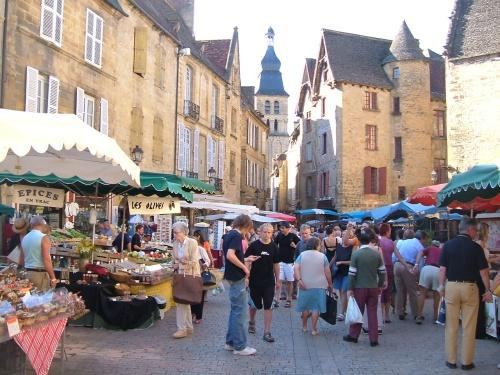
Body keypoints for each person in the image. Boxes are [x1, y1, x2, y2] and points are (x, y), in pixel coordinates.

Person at [438, 217, 491, 370]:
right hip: (470, 288)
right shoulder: (476, 248)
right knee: (469, 326)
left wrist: (441, 286)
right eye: (475, 230)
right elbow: (484, 273)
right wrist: (487, 290)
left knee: (451, 326)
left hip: (452, 287)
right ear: (470, 230)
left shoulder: (448, 245)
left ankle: (451, 360)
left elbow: (442, 270)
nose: (476, 233)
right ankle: (467, 362)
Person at [223, 215, 259, 356]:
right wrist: (244, 267)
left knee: (235, 311)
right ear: (246, 226)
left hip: (231, 275)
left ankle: (231, 342)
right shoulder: (237, 236)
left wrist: (246, 258)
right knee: (240, 313)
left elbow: (232, 255)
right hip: (237, 277)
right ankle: (240, 346)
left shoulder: (229, 235)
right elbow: (230, 256)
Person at [343, 228, 386, 347]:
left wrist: (350, 288)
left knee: (358, 312)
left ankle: (353, 335)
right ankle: (374, 339)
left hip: (359, 287)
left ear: (360, 241)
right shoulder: (376, 254)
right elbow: (382, 272)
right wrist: (380, 285)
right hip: (373, 286)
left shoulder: (356, 254)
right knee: (372, 313)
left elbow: (352, 274)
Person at [246, 223, 280, 343]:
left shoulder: (274, 247)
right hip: (255, 280)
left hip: (269, 281)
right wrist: (246, 277)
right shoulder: (254, 245)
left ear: (272, 233)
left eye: (269, 232)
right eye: (264, 232)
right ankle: (252, 321)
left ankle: (267, 331)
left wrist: (278, 280)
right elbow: (247, 261)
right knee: (254, 305)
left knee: (268, 305)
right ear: (260, 232)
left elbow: (276, 264)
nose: (266, 234)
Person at [294, 237, 333, 335]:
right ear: (318, 245)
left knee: (305, 307)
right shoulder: (323, 256)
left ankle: (304, 327)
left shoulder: (302, 255)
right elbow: (327, 272)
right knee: (316, 308)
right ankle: (314, 329)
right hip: (319, 285)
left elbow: (296, 267)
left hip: (305, 284)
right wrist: (330, 284)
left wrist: (299, 279)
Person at [171, 222, 200, 339]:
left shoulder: (192, 243)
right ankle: (188, 327)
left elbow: (194, 261)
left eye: (176, 232)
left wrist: (182, 263)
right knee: (183, 301)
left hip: (190, 275)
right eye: (173, 232)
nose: (174, 235)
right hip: (180, 275)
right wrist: (178, 263)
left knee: (182, 302)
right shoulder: (175, 244)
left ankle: (181, 329)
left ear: (183, 233)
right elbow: (174, 260)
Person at [393, 229, 426, 321]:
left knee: (399, 290)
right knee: (412, 290)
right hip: (408, 266)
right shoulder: (416, 242)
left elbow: (394, 255)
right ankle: (416, 314)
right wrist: (417, 268)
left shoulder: (400, 242)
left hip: (397, 265)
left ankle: (400, 311)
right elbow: (421, 254)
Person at [19, 216, 57, 291]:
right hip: (40, 274)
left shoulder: (25, 238)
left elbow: (21, 259)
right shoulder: (43, 237)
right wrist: (53, 277)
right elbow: (46, 259)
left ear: (31, 225)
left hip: (27, 273)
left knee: (30, 300)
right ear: (42, 225)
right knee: (41, 300)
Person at [415, 239, 442, 324]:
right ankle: (435, 317)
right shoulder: (442, 250)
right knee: (437, 294)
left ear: (432, 244)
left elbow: (420, 253)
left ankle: (419, 316)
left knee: (422, 293)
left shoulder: (429, 248)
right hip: (438, 270)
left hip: (427, 268)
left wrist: (416, 264)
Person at [333, 226, 357, 322]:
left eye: (345, 235)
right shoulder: (338, 246)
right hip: (339, 272)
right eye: (342, 235)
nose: (343, 237)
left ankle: (343, 312)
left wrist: (342, 262)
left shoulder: (353, 247)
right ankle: (344, 311)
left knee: (344, 291)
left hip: (348, 272)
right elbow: (335, 257)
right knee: (341, 292)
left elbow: (353, 261)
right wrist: (328, 267)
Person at [274, 222, 300, 308]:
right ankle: (276, 299)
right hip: (280, 261)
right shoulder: (279, 236)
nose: (281, 229)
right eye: (281, 228)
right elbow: (274, 245)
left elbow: (299, 246)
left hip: (290, 262)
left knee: (290, 281)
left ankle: (289, 299)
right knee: (279, 280)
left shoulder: (293, 236)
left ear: (288, 228)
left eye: (283, 228)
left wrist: (295, 246)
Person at [191, 233, 212, 325]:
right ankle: (192, 313)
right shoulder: (188, 250)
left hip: (200, 275)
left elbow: (208, 260)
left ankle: (198, 316)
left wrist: (205, 264)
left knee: (200, 296)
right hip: (190, 275)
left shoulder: (201, 249)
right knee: (191, 296)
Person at [475, 222, 490, 339]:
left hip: (481, 276)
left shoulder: (481, 244)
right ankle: (479, 331)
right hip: (481, 277)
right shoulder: (480, 245)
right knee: (480, 304)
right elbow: (483, 264)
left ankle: (479, 330)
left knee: (480, 304)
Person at [378, 223, 394, 324]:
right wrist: (407, 266)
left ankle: (381, 314)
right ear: (387, 230)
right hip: (388, 268)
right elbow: (398, 256)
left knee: (380, 292)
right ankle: (386, 316)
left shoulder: (377, 242)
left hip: (379, 269)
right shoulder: (391, 242)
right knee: (388, 292)